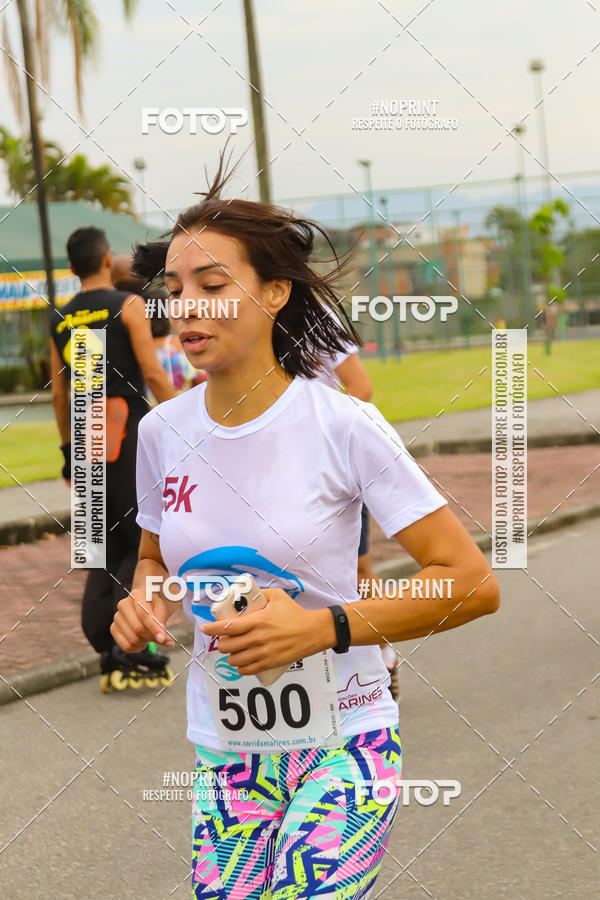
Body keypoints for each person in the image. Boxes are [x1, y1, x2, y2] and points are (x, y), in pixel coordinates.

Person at [111, 158, 500, 899]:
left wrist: (324, 629)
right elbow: (157, 558)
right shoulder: (163, 433)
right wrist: (145, 602)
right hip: (226, 752)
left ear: (274, 292)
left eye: (213, 287)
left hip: (345, 739)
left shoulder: (345, 427)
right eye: (175, 290)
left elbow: (471, 583)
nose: (186, 307)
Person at [50, 227, 177, 692]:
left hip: (87, 434)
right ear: (107, 258)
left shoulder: (60, 318)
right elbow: (152, 372)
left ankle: (105, 644)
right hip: (129, 433)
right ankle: (130, 645)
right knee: (133, 541)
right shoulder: (129, 305)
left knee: (97, 549)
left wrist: (68, 452)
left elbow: (59, 394)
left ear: (71, 267)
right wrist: (185, 423)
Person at [313, 329, 400, 699]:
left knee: (358, 569)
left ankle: (384, 655)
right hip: (272, 471)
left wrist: (317, 445)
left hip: (326, 471)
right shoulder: (248, 317)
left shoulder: (319, 320)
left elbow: (361, 389)